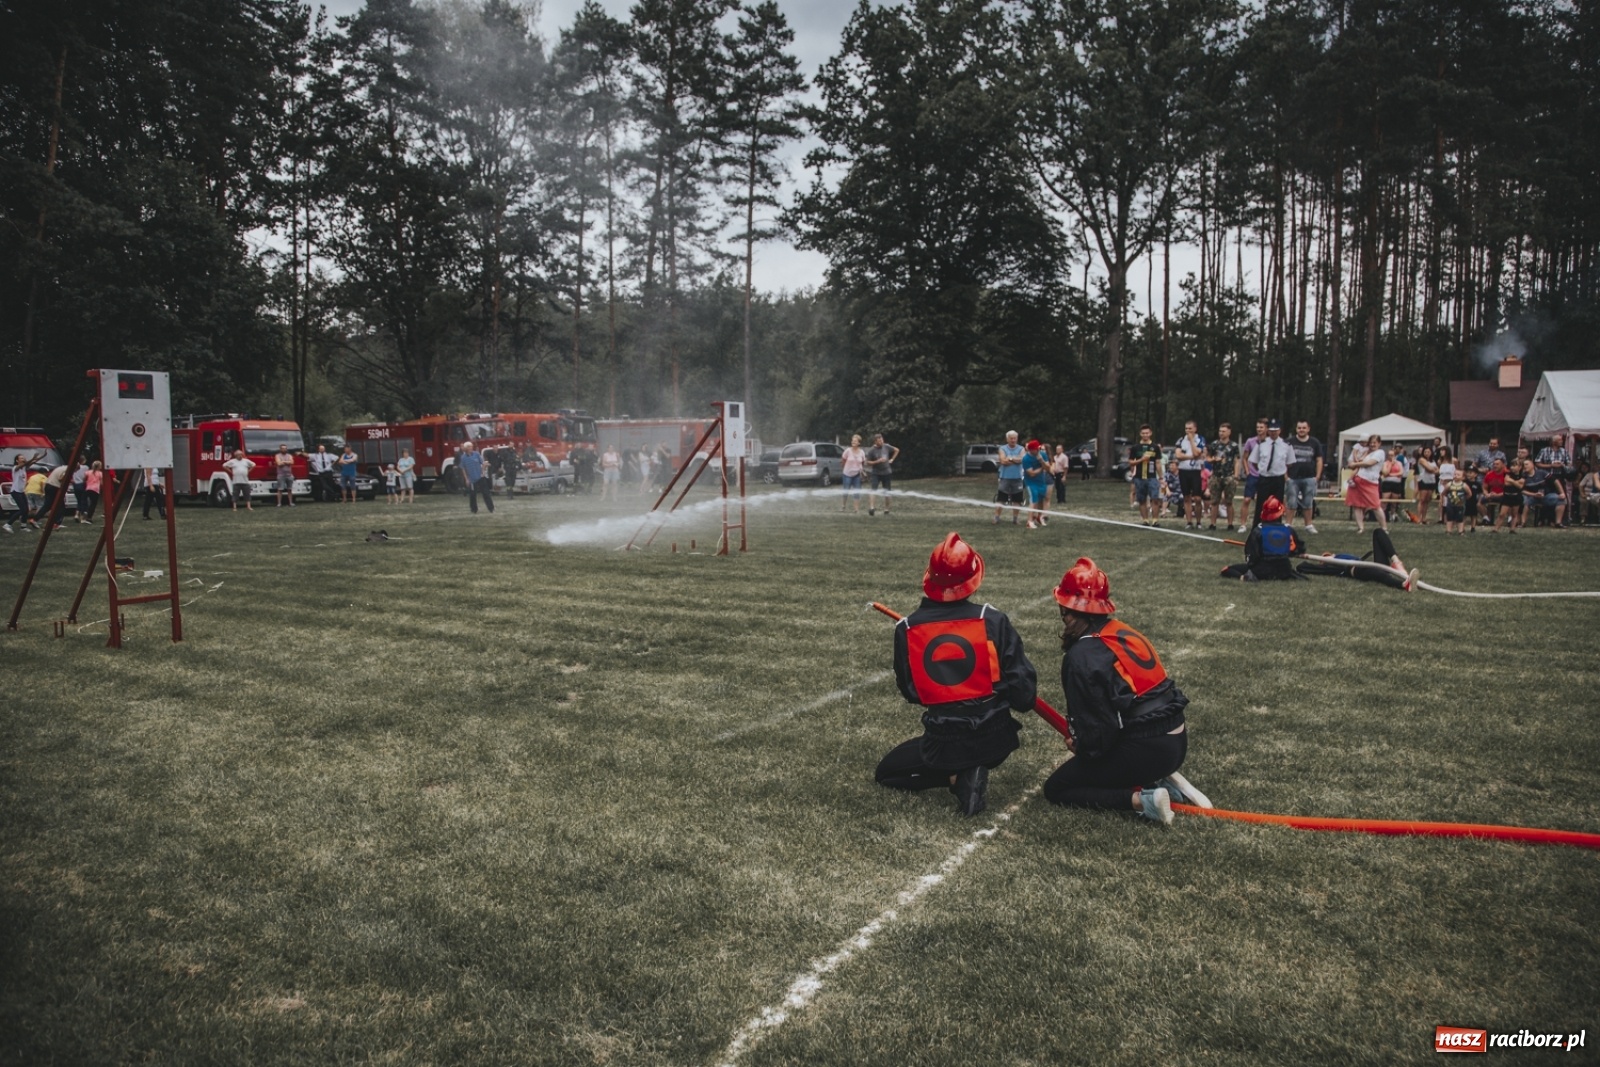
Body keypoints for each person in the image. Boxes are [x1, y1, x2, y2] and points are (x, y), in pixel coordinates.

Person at [877, 533, 1037, 817]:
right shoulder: (993, 619)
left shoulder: (907, 628)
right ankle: (967, 773)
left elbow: (912, 693)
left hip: (945, 741)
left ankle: (957, 777)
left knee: (887, 773)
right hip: (997, 739)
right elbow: (1024, 696)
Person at [1043, 557, 1210, 825]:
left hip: (1148, 749)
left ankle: (1144, 800)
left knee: (1058, 787)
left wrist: (1083, 747)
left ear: (1066, 607)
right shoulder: (1121, 630)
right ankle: (1160, 782)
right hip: (1176, 740)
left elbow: (1098, 728)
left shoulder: (1081, 656)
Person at [1220, 496, 1305, 581]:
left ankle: (1243, 578)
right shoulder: (1288, 530)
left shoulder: (1258, 531)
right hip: (1285, 570)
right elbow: (1298, 549)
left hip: (1263, 570)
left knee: (1226, 569)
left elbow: (1251, 556)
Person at [1285, 420, 1324, 534]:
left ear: (1308, 429)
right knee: (1291, 502)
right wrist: (1286, 477)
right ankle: (1288, 524)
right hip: (1292, 478)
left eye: (1303, 428)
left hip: (1309, 477)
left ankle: (1308, 525)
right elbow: (1282, 459)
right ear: (1296, 429)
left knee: (1308, 502)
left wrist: (1317, 476)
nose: (1301, 430)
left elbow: (1319, 459)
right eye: (1299, 428)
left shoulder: (1314, 442)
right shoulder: (1289, 442)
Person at [1252, 419, 1291, 527]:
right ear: (1268, 431)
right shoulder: (1261, 444)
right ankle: (1258, 525)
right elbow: (1254, 461)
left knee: (1277, 504)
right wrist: (1262, 469)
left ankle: (1276, 525)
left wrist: (1280, 470)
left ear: (1279, 431)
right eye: (1271, 430)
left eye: (1276, 430)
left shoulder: (1286, 445)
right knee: (1261, 503)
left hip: (1278, 478)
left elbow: (1289, 463)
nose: (1273, 433)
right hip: (1265, 477)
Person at [1344, 434, 1387, 534]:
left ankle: (1384, 528)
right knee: (1357, 505)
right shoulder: (1366, 452)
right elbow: (1354, 461)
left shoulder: (1380, 452)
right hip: (1357, 480)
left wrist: (1355, 464)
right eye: (1371, 443)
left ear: (1379, 443)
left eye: (1374, 443)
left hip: (1370, 481)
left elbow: (1369, 464)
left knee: (1375, 505)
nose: (1372, 445)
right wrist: (1352, 463)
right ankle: (1360, 527)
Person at [1205, 422, 1240, 531]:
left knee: (1229, 501)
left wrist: (1236, 476)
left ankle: (1230, 524)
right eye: (1220, 431)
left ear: (1229, 432)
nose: (1221, 433)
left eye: (1224, 431)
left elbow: (1237, 461)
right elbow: (1208, 458)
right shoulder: (1214, 444)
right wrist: (1215, 459)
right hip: (1216, 475)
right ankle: (1213, 524)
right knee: (1214, 501)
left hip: (1229, 476)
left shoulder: (1234, 446)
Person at [1173, 420, 1207, 528]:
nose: (1188, 431)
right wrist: (1191, 457)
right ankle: (1189, 522)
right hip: (1183, 470)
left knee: (1197, 498)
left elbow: (1198, 452)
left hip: (1195, 471)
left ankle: (1198, 521)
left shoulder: (1200, 439)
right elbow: (1178, 455)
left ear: (1195, 429)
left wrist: (1192, 440)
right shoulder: (1181, 440)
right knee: (1186, 497)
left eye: (1190, 428)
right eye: (1186, 429)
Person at [1129, 424, 1163, 526]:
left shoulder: (1155, 447)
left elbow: (1158, 463)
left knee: (1155, 498)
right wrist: (1141, 460)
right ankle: (1145, 520)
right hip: (1139, 477)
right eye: (1143, 433)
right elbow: (1130, 462)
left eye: (1147, 433)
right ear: (1140, 434)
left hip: (1151, 476)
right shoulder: (1135, 447)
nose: (1145, 435)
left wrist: (1161, 477)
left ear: (1150, 433)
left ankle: (1155, 520)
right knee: (1141, 499)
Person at [1239, 418, 1268, 532]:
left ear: (1266, 428)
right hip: (1253, 475)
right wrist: (1247, 471)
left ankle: (1262, 523)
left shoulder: (1270, 442)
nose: (1259, 430)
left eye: (1261, 427)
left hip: (1265, 475)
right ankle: (1243, 524)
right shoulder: (1251, 441)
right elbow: (1245, 458)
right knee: (1246, 500)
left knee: (1264, 502)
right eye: (1257, 427)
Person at [6, 449, 45, 532]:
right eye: (21, 458)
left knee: (26, 510)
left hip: (21, 491)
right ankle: (8, 524)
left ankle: (23, 527)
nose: (23, 459)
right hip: (15, 491)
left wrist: (42, 456)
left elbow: (33, 462)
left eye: (23, 458)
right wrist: (33, 458)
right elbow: (28, 463)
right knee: (23, 509)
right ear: (17, 460)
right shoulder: (15, 468)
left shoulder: (23, 468)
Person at [992, 430, 1027, 524]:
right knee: (1001, 499)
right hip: (1005, 477)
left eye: (1015, 438)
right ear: (1007, 439)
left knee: (1017, 499)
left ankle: (1015, 519)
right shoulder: (1002, 448)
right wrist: (1014, 459)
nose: (1013, 440)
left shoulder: (1021, 448)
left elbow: (1021, 460)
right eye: (1011, 438)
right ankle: (996, 518)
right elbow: (1003, 461)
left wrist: (1010, 459)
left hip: (1018, 478)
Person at [865, 432, 899, 516]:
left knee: (887, 492)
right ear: (875, 441)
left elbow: (897, 450)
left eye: (882, 440)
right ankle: (872, 508)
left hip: (887, 472)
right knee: (873, 490)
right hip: (876, 473)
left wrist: (892, 459)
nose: (881, 442)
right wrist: (877, 461)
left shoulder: (886, 446)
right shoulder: (871, 450)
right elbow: (867, 462)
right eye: (879, 441)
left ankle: (886, 509)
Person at [457, 440, 494, 514]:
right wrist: (466, 479)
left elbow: (482, 463)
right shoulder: (463, 457)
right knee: (473, 495)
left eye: (472, 446)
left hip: (480, 477)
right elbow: (463, 468)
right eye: (470, 447)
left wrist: (483, 471)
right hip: (472, 479)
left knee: (486, 493)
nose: (471, 448)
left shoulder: (476, 454)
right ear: (466, 448)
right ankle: (474, 509)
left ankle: (491, 508)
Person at [1022, 439, 1052, 528]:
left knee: (1041, 499)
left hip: (1041, 481)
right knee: (1033, 499)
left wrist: (1042, 461)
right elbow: (1031, 473)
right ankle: (1029, 521)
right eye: (1036, 449)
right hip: (1031, 482)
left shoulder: (1042, 454)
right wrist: (1042, 468)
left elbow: (1048, 468)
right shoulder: (1026, 459)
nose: (1038, 450)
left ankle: (1039, 517)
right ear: (1031, 450)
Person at [841, 434, 867, 514]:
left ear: (859, 443)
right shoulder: (847, 451)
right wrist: (845, 468)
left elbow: (862, 462)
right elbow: (843, 460)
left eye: (855, 441)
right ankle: (843, 506)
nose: (853, 442)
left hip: (857, 475)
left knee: (857, 492)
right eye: (852, 440)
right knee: (846, 491)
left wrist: (862, 471)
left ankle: (856, 509)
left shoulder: (862, 452)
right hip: (847, 474)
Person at [1412, 445, 1438, 524]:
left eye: (1428, 452)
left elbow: (1437, 471)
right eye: (1425, 452)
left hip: (1431, 481)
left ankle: (1424, 518)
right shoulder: (1421, 459)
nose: (1427, 453)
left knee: (1427, 500)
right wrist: (1433, 469)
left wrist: (1433, 470)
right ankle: (1419, 518)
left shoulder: (1433, 461)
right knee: (1422, 500)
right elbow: (1429, 469)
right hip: (1423, 480)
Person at [1441, 468, 1470, 535]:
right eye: (1455, 474)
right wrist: (1449, 498)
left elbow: (1469, 494)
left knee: (1460, 518)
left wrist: (1463, 499)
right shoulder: (1449, 484)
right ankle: (1449, 531)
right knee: (1449, 518)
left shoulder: (1464, 485)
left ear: (1463, 477)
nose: (1456, 476)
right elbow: (1444, 492)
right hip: (1450, 505)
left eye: (1458, 475)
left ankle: (1460, 531)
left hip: (1460, 505)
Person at [273, 443, 297, 507]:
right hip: (281, 475)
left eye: (285, 448)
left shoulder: (289, 455)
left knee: (290, 489)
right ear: (280, 449)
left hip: (289, 475)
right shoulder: (277, 455)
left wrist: (283, 462)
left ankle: (291, 502)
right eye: (282, 448)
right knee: (280, 489)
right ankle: (279, 503)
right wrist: (287, 462)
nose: (284, 449)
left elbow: (292, 462)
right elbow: (278, 463)